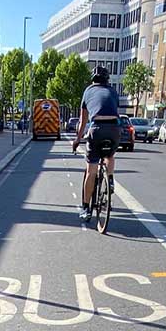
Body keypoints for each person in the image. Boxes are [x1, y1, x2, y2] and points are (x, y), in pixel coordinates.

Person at [71, 66, 121, 221]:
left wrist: (77, 139)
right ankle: (110, 179)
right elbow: (112, 110)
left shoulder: (88, 91)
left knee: (91, 171)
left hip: (97, 129)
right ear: (107, 80)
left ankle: (86, 209)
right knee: (110, 155)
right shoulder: (113, 91)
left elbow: (83, 120)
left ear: (93, 79)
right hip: (114, 128)